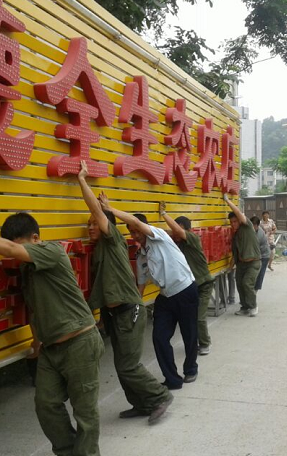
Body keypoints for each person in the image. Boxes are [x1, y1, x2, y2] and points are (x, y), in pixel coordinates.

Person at [0, 202, 103, 456]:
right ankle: (66, 453)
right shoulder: (28, 270)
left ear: (35, 238)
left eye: (20, 246)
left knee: (84, 407)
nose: (17, 255)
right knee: (45, 403)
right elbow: (33, 308)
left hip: (80, 340)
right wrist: (36, 341)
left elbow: (10, 250)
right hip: (51, 347)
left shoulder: (52, 251)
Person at [76, 161, 173, 424]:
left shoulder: (113, 240)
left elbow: (97, 212)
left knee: (129, 366)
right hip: (115, 315)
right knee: (121, 367)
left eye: (94, 223)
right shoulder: (100, 249)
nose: (90, 227)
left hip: (129, 312)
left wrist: (82, 180)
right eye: (88, 225)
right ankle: (141, 404)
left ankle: (160, 396)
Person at [98, 193, 199, 391]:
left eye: (137, 231)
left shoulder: (158, 236)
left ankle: (191, 369)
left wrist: (109, 210)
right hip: (165, 297)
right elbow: (141, 286)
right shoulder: (141, 255)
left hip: (185, 290)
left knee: (189, 334)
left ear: (144, 228)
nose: (135, 235)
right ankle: (172, 379)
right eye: (131, 232)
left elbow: (136, 221)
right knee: (159, 337)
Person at [159, 201, 214, 356]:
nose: (175, 233)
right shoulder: (178, 244)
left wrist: (163, 214)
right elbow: (167, 232)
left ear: (188, 230)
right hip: (191, 288)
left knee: (199, 317)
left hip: (204, 285)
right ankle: (194, 343)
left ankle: (205, 343)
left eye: (179, 230)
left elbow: (176, 231)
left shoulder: (193, 239)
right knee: (189, 318)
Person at [224, 194, 261, 317]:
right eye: (231, 222)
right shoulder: (235, 236)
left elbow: (238, 213)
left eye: (235, 221)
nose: (233, 224)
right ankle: (244, 307)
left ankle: (253, 306)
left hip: (253, 263)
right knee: (240, 285)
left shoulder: (247, 226)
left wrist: (228, 201)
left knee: (247, 283)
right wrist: (230, 268)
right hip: (241, 264)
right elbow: (235, 254)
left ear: (239, 220)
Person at [250, 216, 271, 292]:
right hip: (257, 255)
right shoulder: (251, 231)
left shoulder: (259, 234)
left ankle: (254, 291)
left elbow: (254, 248)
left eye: (254, 225)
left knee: (259, 274)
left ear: (257, 225)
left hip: (264, 256)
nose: (252, 226)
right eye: (251, 224)